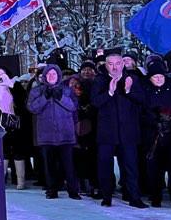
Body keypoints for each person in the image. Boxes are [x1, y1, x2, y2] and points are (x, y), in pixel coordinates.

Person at [90, 51, 148, 208]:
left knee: (131, 166)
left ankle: (134, 197)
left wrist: (129, 91)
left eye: (117, 63)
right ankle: (106, 196)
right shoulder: (99, 80)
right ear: (106, 65)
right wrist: (109, 92)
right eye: (110, 64)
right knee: (105, 165)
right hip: (107, 132)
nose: (114, 67)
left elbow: (142, 100)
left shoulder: (132, 79)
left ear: (123, 64)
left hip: (128, 131)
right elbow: (95, 102)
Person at [27, 64, 81, 199]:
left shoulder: (67, 90)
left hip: (65, 133)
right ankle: (52, 190)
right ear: (45, 76)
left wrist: (60, 97)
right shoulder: (36, 91)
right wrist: (44, 98)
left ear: (59, 76)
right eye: (49, 74)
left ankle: (73, 190)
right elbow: (32, 108)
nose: (51, 76)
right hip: (46, 134)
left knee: (68, 165)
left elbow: (73, 106)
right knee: (49, 165)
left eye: (54, 74)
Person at [141, 56, 171, 208]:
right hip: (153, 136)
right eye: (155, 77)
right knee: (154, 168)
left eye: (161, 76)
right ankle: (155, 196)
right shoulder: (145, 90)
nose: (159, 79)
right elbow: (141, 111)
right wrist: (155, 120)